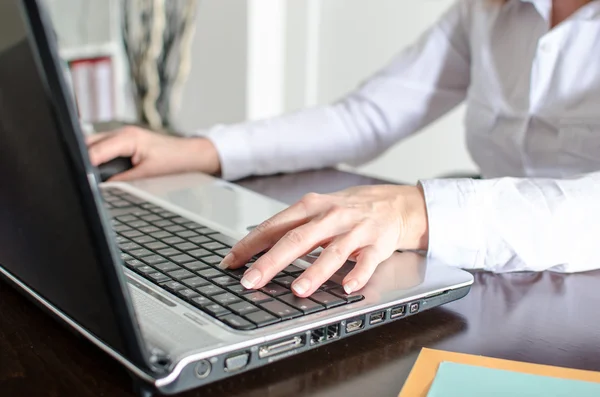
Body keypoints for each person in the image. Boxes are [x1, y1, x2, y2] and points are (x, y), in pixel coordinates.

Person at [87, 0, 600, 298]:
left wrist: (415, 209)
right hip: (498, 276)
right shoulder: (486, 9)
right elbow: (367, 116)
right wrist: (199, 150)